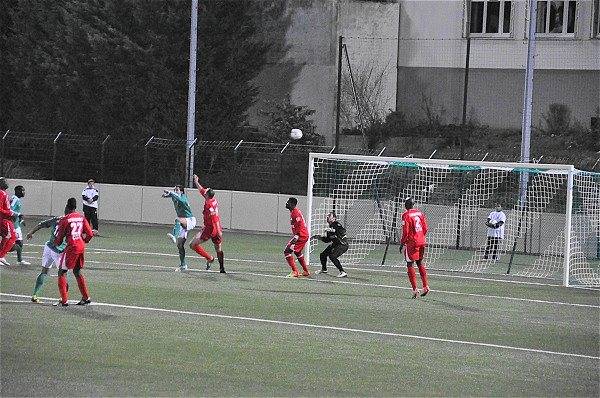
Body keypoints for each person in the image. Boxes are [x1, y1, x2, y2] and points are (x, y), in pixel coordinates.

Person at [54, 198, 94, 306]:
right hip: (81, 246)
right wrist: (85, 240)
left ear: (67, 207)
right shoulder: (81, 217)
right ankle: (86, 298)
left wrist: (56, 243)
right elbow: (90, 233)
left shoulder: (66, 219)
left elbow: (60, 237)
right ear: (75, 207)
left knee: (62, 272)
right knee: (77, 271)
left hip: (71, 247)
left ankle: (64, 300)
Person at [27, 213, 68, 303]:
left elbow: (41, 224)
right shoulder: (69, 222)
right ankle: (63, 297)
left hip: (48, 247)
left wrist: (31, 232)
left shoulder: (57, 219)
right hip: (58, 251)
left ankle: (35, 294)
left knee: (44, 271)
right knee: (63, 274)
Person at [189, 174, 225, 273]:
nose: (203, 192)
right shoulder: (212, 199)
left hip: (210, 229)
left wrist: (217, 230)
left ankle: (210, 258)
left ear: (207, 195)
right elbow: (202, 190)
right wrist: (196, 181)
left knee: (192, 245)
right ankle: (222, 268)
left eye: (205, 192)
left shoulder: (209, 205)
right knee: (218, 248)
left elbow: (214, 218)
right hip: (216, 229)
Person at [400, 197, 429, 298]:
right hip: (421, 241)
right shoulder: (420, 213)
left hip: (412, 243)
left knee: (409, 264)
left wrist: (402, 242)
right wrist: (420, 236)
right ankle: (425, 286)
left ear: (406, 205)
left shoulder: (406, 215)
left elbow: (406, 232)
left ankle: (415, 290)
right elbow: (425, 228)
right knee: (420, 262)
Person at [163, 185, 196, 271]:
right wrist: (167, 195)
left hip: (190, 220)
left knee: (177, 220)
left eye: (177, 190)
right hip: (183, 222)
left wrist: (170, 193)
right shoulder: (175, 197)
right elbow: (173, 196)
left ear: (181, 191)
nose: (175, 191)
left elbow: (179, 198)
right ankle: (183, 265)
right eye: (174, 189)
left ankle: (174, 235)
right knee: (180, 245)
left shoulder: (183, 198)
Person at [315, 212, 349, 277]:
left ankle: (343, 272)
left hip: (342, 244)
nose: (327, 217)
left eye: (329, 216)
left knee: (332, 256)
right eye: (327, 216)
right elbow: (327, 240)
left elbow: (343, 231)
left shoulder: (336, 224)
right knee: (323, 255)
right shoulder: (329, 228)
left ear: (334, 218)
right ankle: (324, 269)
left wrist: (332, 230)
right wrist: (319, 237)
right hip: (336, 244)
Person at [284, 197, 310, 278]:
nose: (286, 203)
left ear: (292, 204)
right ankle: (306, 271)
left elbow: (299, 226)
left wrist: (295, 239)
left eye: (288, 202)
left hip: (301, 236)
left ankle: (295, 271)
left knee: (287, 251)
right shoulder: (293, 212)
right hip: (303, 235)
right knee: (297, 252)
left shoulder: (295, 213)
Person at [9, 185, 30, 265]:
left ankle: (19, 260)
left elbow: (15, 212)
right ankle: (2, 253)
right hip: (14, 225)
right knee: (17, 243)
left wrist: (20, 219)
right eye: (22, 190)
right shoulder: (15, 199)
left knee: (20, 243)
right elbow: (10, 209)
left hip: (16, 224)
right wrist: (19, 214)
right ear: (17, 191)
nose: (24, 192)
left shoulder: (16, 199)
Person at [0, 177, 17, 266]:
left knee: (9, 237)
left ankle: (1, 256)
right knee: (11, 236)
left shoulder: (4, 193)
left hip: (6, 219)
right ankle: (1, 256)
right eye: (4, 181)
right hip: (4, 219)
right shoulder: (1, 193)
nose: (6, 183)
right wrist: (10, 213)